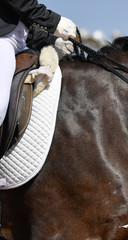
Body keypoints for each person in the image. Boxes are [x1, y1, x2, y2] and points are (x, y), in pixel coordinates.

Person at [0, 0, 77, 143]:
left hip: (18, 43)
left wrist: (54, 41)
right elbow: (22, 4)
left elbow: (21, 29)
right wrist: (55, 22)